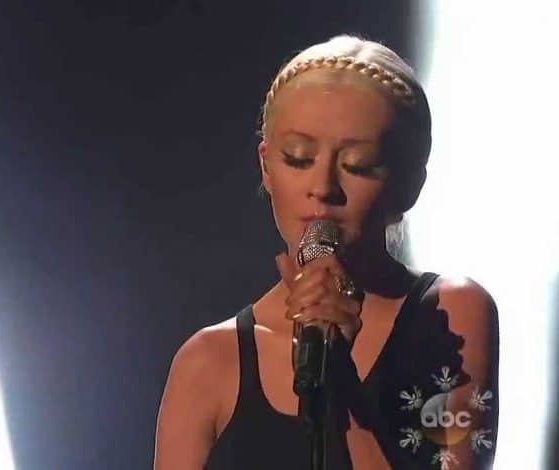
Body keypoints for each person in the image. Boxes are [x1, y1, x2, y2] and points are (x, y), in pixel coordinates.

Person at [153, 34, 499, 469]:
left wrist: (340, 380)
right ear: (266, 167)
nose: (323, 188)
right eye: (298, 158)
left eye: (357, 165)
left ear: (409, 184)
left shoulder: (450, 316)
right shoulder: (208, 361)